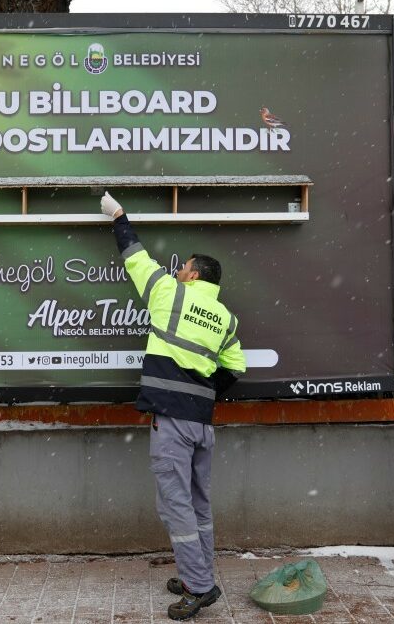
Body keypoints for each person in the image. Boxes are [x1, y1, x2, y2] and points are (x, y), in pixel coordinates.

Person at [99, 191, 246, 621]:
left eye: (183, 266)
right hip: (202, 423)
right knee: (198, 502)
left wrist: (119, 216)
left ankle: (198, 587)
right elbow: (234, 366)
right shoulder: (226, 318)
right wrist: (201, 390)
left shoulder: (169, 293)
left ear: (194, 275)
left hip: (174, 422)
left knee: (175, 504)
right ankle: (197, 573)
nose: (176, 269)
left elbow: (135, 257)